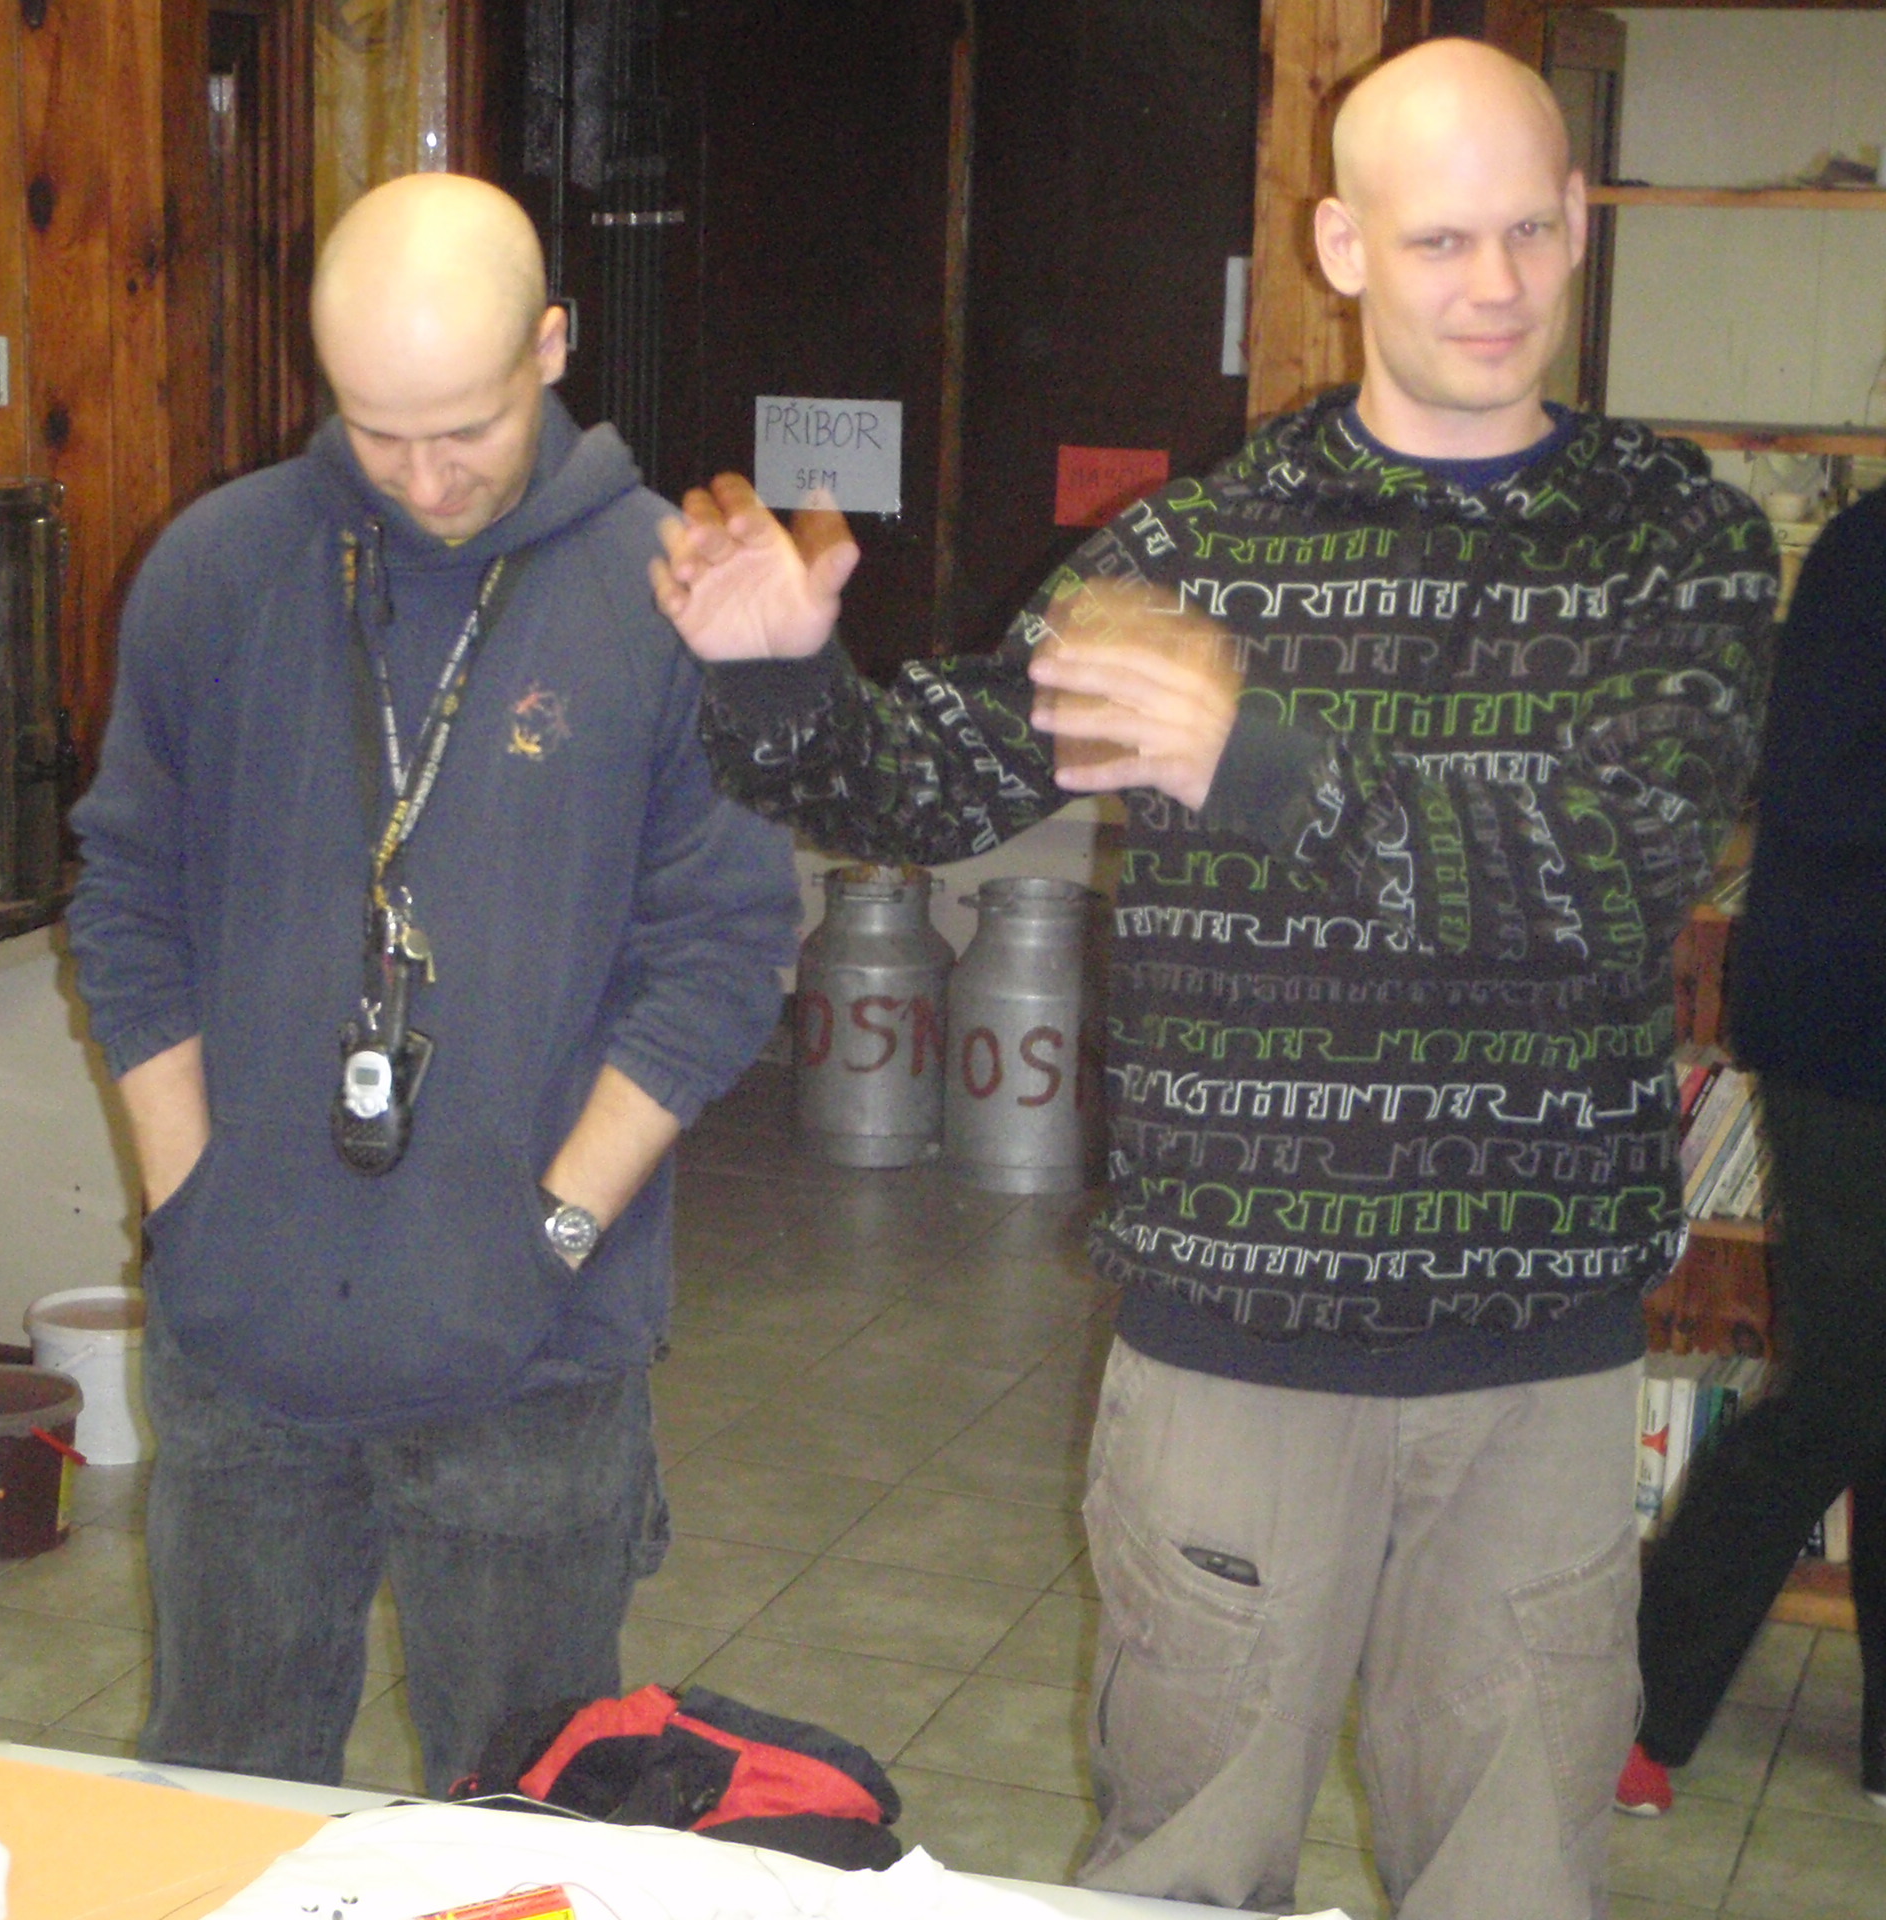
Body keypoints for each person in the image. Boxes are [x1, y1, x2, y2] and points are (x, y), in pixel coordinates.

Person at [652, 39, 1772, 1918]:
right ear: (1341, 246)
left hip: (1535, 1359)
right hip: (1234, 1341)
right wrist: (775, 671)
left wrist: (1247, 758)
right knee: (1181, 1872)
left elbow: (1610, 875)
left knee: (1514, 1882)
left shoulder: (1680, 540)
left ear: (1581, 221)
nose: (1494, 285)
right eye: (1439, 241)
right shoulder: (1196, 551)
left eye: (1527, 231)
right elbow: (925, 787)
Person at [67, 173, 798, 1791]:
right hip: (244, 1340)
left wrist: (555, 1233)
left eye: (464, 429)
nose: (423, 478)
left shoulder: (668, 588)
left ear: (552, 346)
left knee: (522, 1810)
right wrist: (190, 1201)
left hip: (533, 1354)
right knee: (222, 1793)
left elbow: (725, 951)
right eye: (376, 431)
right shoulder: (217, 569)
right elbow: (125, 899)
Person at [1617, 483, 1886, 1816]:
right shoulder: (1868, 552)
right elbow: (1814, 792)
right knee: (1843, 1393)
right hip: (1851, 1031)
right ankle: (1635, 1712)